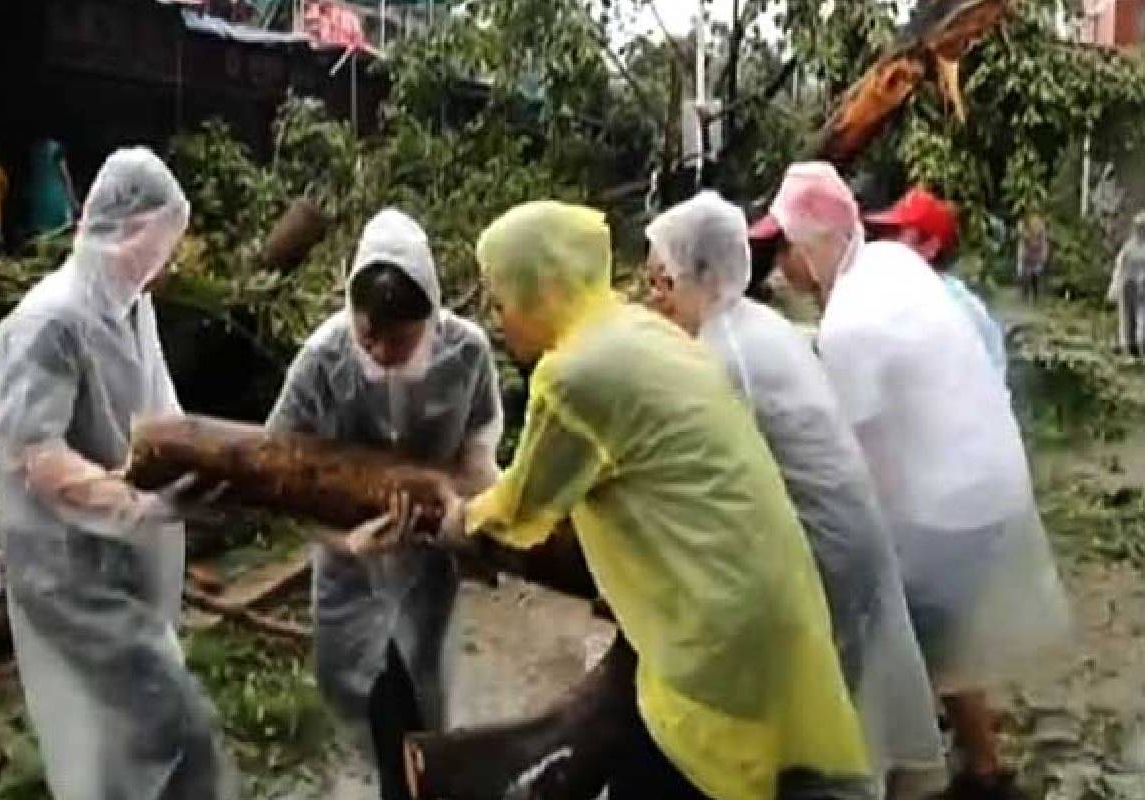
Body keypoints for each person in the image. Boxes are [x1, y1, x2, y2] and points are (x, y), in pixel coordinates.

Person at [432, 200, 873, 800]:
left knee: (676, 774)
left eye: (503, 300)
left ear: (543, 289)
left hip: (711, 626)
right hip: (768, 591)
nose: (499, 319)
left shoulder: (573, 375)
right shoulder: (637, 330)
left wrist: (460, 521)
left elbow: (522, 508)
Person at [754, 162, 1069, 800]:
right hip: (989, 492)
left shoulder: (850, 326)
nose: (780, 271)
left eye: (784, 251)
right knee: (943, 640)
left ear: (813, 245)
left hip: (942, 514)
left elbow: (849, 463)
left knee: (878, 653)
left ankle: (900, 783)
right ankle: (985, 770)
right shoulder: (892, 267)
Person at [645, 191, 946, 800]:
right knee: (841, 718)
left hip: (822, 559)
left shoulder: (722, 359)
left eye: (659, 279)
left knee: (817, 740)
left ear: (690, 275)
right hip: (849, 544)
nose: (654, 295)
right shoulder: (757, 325)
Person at [0, 148, 235, 799]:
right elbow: (35, 456)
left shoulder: (132, 308)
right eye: (155, 247)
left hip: (126, 568)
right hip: (70, 578)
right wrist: (135, 506)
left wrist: (218, 468)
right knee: (171, 733)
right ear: (121, 230)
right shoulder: (48, 326)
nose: (161, 266)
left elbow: (163, 413)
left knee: (124, 753)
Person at [266, 208, 502, 800]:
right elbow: (276, 474)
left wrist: (461, 510)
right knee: (369, 705)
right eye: (368, 334)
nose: (380, 350)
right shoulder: (323, 359)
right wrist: (342, 541)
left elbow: (479, 454)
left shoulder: (466, 353)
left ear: (431, 318)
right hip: (350, 572)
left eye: (399, 340)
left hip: (427, 567)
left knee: (423, 707)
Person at [864, 187, 1006, 379]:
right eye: (885, 234)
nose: (885, 243)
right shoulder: (901, 299)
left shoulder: (955, 309)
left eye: (897, 234)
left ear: (931, 246)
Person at [1107, 211, 1145, 358]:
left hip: (1142, 286)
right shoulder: (1128, 247)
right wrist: (1114, 288)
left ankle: (1140, 344)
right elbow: (1120, 267)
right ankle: (1128, 346)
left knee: (1142, 317)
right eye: (1139, 227)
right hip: (1128, 284)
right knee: (1126, 316)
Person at [26, 137, 79, 236]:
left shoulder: (34, 150)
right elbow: (65, 175)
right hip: (56, 198)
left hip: (37, 200)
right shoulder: (55, 149)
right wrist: (73, 200)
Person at [1016, 213, 1048, 303]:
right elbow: (1022, 238)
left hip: (1037, 257)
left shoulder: (1041, 233)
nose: (1035, 225)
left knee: (1035, 276)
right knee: (1027, 276)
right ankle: (1025, 294)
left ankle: (1035, 296)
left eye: (1037, 223)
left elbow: (1044, 244)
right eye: (1033, 223)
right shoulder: (1027, 232)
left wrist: (1044, 254)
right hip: (1028, 257)